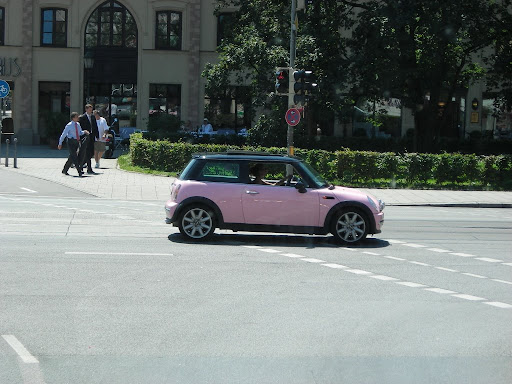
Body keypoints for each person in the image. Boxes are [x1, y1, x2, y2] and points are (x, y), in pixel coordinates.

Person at [58, 112, 90, 177]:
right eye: (77, 117)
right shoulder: (69, 125)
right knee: (74, 156)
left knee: (72, 156)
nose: (78, 118)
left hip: (76, 141)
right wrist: (60, 143)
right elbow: (63, 134)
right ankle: (79, 171)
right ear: (73, 118)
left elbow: (80, 133)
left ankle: (65, 170)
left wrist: (84, 131)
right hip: (70, 142)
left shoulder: (78, 124)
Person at [79, 104, 99, 174]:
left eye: (91, 110)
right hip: (85, 137)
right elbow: (80, 128)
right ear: (86, 109)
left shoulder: (93, 117)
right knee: (86, 152)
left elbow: (95, 126)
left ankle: (80, 164)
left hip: (92, 136)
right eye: (90, 110)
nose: (91, 111)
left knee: (91, 153)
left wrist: (97, 135)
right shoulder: (82, 117)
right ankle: (88, 168)